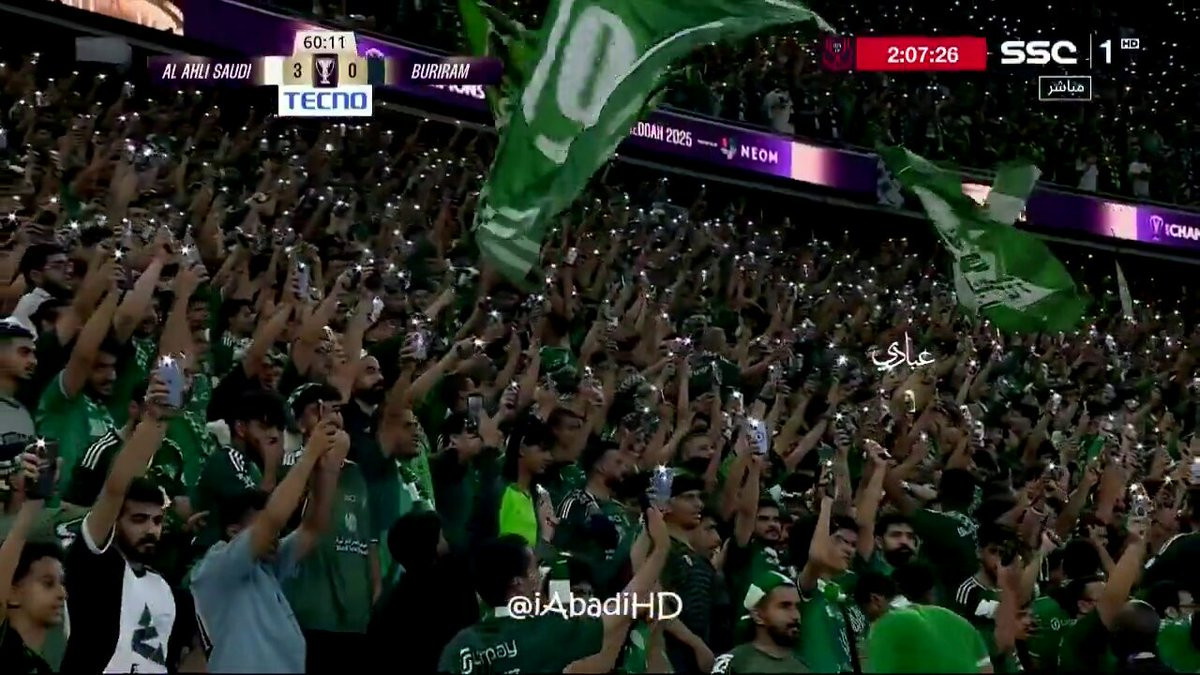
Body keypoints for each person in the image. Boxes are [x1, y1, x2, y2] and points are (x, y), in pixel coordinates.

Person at [189, 407, 348, 672]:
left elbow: (313, 528)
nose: (276, 534)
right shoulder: (217, 567)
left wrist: (329, 469)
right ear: (233, 531)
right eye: (259, 524)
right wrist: (310, 453)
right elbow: (273, 520)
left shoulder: (268, 567)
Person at [437, 504, 671, 674]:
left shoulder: (461, 646)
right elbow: (622, 608)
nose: (539, 577)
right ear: (518, 583)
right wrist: (660, 549)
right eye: (534, 570)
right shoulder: (548, 631)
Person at [59, 377, 180, 672]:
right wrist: (154, 419)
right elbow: (115, 489)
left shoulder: (166, 590)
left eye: (157, 521)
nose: (151, 530)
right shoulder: (93, 564)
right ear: (115, 520)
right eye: (138, 519)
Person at [280, 384, 377, 671]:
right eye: (319, 411)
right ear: (299, 424)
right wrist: (321, 461)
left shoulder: (357, 474)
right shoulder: (291, 471)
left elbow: (367, 539)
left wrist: (373, 592)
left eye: (336, 410)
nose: (332, 418)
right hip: (309, 616)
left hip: (355, 619)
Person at [366, 510, 477, 670]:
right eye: (441, 538)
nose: (447, 543)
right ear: (430, 547)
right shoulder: (453, 595)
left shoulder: (389, 604)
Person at [0, 455, 64, 674]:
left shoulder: (42, 667)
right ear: (12, 592)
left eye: (61, 583)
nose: (62, 594)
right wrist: (34, 501)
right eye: (47, 583)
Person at [713, 570, 808, 673]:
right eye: (785, 606)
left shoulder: (802, 668)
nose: (796, 616)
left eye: (797, 607)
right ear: (757, 615)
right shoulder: (733, 664)